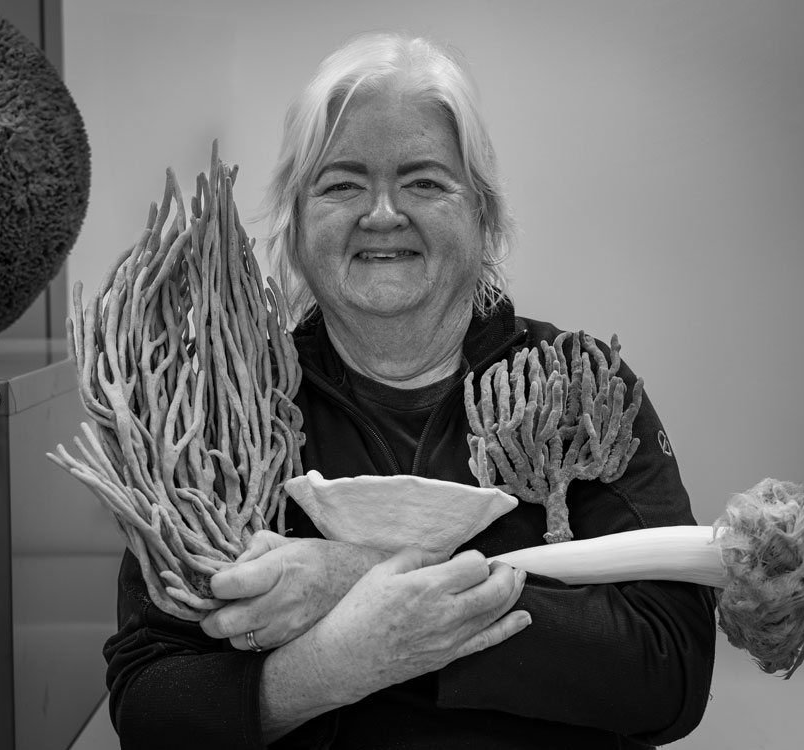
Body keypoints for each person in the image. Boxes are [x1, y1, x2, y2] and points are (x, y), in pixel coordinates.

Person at [103, 32, 717, 749]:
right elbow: (150, 708)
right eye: (342, 183)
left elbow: (670, 674)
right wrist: (330, 667)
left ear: (483, 215)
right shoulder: (215, 417)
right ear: (296, 223)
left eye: (424, 181)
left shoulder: (580, 389)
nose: (383, 213)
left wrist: (355, 582)